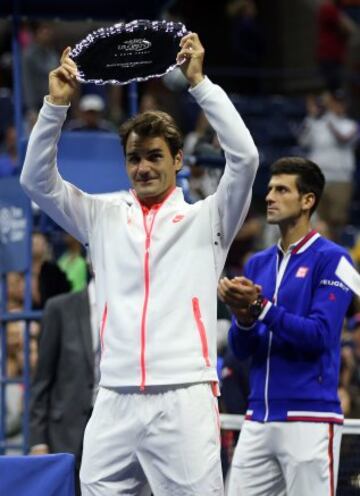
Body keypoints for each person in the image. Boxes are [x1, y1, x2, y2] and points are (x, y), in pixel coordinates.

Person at [20, 32, 259, 495]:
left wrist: (200, 84)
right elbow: (35, 180)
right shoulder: (101, 216)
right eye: (134, 158)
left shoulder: (208, 218)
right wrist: (55, 107)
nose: (143, 167)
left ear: (177, 159)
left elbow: (246, 159)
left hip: (184, 395)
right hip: (113, 396)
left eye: (154, 156)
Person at [218, 157, 354, 496]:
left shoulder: (335, 259)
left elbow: (320, 335)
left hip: (309, 418)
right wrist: (244, 318)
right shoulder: (257, 262)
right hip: (259, 417)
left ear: (307, 201)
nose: (269, 197)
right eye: (269, 190)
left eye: (282, 190)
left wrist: (260, 307)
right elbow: (241, 349)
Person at [29, 279, 97, 495]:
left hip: (114, 432)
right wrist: (38, 441)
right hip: (65, 437)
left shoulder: (132, 311)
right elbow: (42, 381)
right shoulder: (60, 308)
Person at [298, 91, 358, 241]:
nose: (337, 106)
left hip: (340, 179)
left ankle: (335, 253)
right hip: (317, 178)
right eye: (335, 102)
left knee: (337, 220)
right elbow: (302, 140)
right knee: (315, 220)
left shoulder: (350, 125)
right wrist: (312, 116)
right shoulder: (317, 124)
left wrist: (328, 115)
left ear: (345, 105)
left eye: (340, 103)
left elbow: (343, 138)